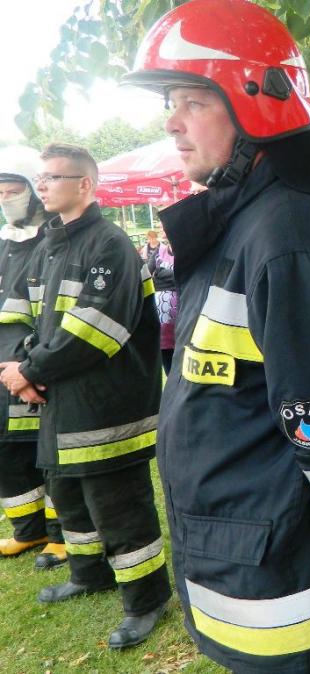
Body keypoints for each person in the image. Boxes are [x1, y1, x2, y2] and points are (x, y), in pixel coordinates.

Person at [123, 1, 310, 671]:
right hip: (248, 550)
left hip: (277, 574)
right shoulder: (245, 223)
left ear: (257, 104)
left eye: (193, 100)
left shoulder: (286, 233)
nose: (171, 121)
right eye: (170, 102)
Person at [0, 143, 171, 648]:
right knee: (69, 495)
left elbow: (95, 330)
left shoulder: (109, 244)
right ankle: (89, 573)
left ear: (85, 185)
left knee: (118, 505)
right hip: (61, 398)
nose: (42, 185)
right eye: (40, 177)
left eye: (52, 177)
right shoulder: (50, 245)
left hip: (107, 405)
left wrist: (30, 370)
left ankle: (146, 599)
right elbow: (28, 317)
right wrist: (24, 366)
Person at [0, 146, 65, 568]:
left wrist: (28, 367)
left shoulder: (54, 240)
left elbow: (53, 314)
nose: (5, 199)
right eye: (0, 193)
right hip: (4, 368)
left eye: (13, 190)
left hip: (34, 366)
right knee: (8, 449)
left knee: (50, 452)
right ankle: (29, 529)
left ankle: (61, 533)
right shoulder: (5, 243)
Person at [151, 236, 177, 374]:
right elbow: (149, 276)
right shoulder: (159, 252)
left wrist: (160, 274)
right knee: (168, 367)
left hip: (183, 323)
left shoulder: (189, 253)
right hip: (161, 324)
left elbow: (186, 277)